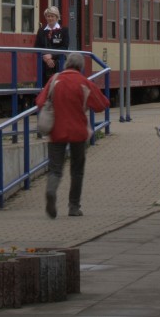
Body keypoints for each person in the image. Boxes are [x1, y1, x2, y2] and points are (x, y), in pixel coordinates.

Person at [35, 52, 109, 219]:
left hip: (56, 130)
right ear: (81, 66)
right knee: (77, 170)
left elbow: (40, 102)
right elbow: (102, 104)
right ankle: (74, 207)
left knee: (55, 168)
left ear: (66, 64)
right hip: (78, 132)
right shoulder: (83, 82)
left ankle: (51, 191)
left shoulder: (54, 79)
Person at [34, 6, 68, 84]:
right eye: (48, 16)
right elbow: (37, 47)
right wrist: (46, 58)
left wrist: (51, 55)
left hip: (59, 62)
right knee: (44, 86)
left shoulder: (64, 30)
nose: (50, 18)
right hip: (43, 63)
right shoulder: (41, 31)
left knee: (58, 85)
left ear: (57, 17)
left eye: (52, 16)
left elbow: (64, 47)